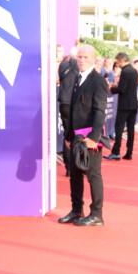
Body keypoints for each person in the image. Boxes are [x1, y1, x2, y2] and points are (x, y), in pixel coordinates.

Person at [58, 44, 108, 227]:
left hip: (90, 138)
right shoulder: (77, 78)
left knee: (93, 175)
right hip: (76, 137)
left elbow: (99, 112)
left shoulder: (99, 81)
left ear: (94, 59)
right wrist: (69, 135)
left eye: (86, 57)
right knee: (75, 175)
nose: (82, 60)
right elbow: (72, 109)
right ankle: (77, 209)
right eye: (79, 57)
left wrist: (94, 138)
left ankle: (96, 214)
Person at [105, 52, 138, 161]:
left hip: (124, 105)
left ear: (122, 60)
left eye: (118, 61)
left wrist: (111, 89)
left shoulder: (125, 72)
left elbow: (122, 89)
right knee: (131, 129)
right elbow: (128, 86)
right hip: (133, 104)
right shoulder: (133, 70)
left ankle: (116, 152)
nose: (117, 63)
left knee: (119, 128)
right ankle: (129, 152)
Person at [57, 47, 79, 177]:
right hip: (74, 103)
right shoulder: (79, 65)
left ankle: (69, 167)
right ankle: (77, 165)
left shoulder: (63, 64)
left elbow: (61, 76)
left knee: (67, 135)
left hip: (64, 102)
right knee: (77, 134)